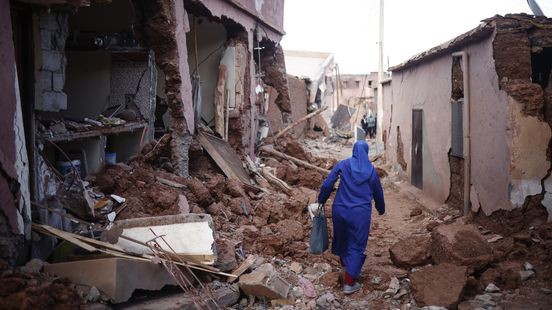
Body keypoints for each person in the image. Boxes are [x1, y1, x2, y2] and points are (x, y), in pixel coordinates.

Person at [317, 140, 385, 295]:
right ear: (366, 153)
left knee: (342, 239)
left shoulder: (343, 164)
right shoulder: (372, 171)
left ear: (354, 151)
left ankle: (347, 267)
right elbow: (378, 192)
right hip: (360, 214)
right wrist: (381, 208)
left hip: (339, 210)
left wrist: (321, 200)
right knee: (356, 245)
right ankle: (349, 282)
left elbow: (328, 184)